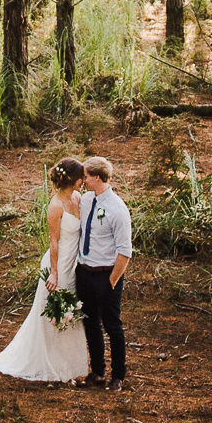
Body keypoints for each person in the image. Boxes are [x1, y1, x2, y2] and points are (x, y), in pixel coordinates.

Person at [0, 159, 92, 382]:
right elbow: (54, 242)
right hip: (57, 265)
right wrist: (54, 273)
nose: (84, 181)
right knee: (53, 317)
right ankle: (49, 365)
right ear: (72, 178)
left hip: (73, 266)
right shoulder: (56, 205)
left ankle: (69, 366)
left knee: (71, 316)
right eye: (82, 176)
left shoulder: (77, 198)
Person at [74, 155, 132, 390]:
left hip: (107, 275)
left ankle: (118, 375)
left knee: (112, 325)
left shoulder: (117, 209)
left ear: (97, 177)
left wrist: (112, 281)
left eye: (86, 176)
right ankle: (97, 371)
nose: (83, 180)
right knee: (90, 323)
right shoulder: (86, 200)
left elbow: (125, 251)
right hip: (84, 272)